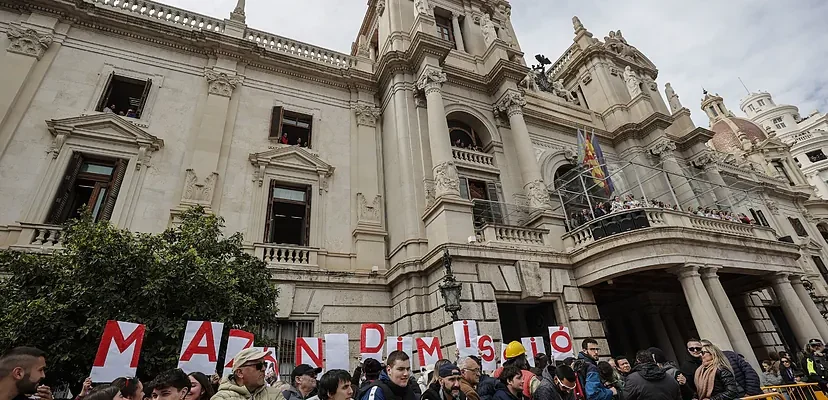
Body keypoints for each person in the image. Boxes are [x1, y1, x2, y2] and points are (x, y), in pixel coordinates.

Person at [211, 348, 286, 400]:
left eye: (265, 364)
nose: (264, 369)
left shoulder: (275, 394)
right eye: (258, 366)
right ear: (240, 373)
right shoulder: (221, 398)